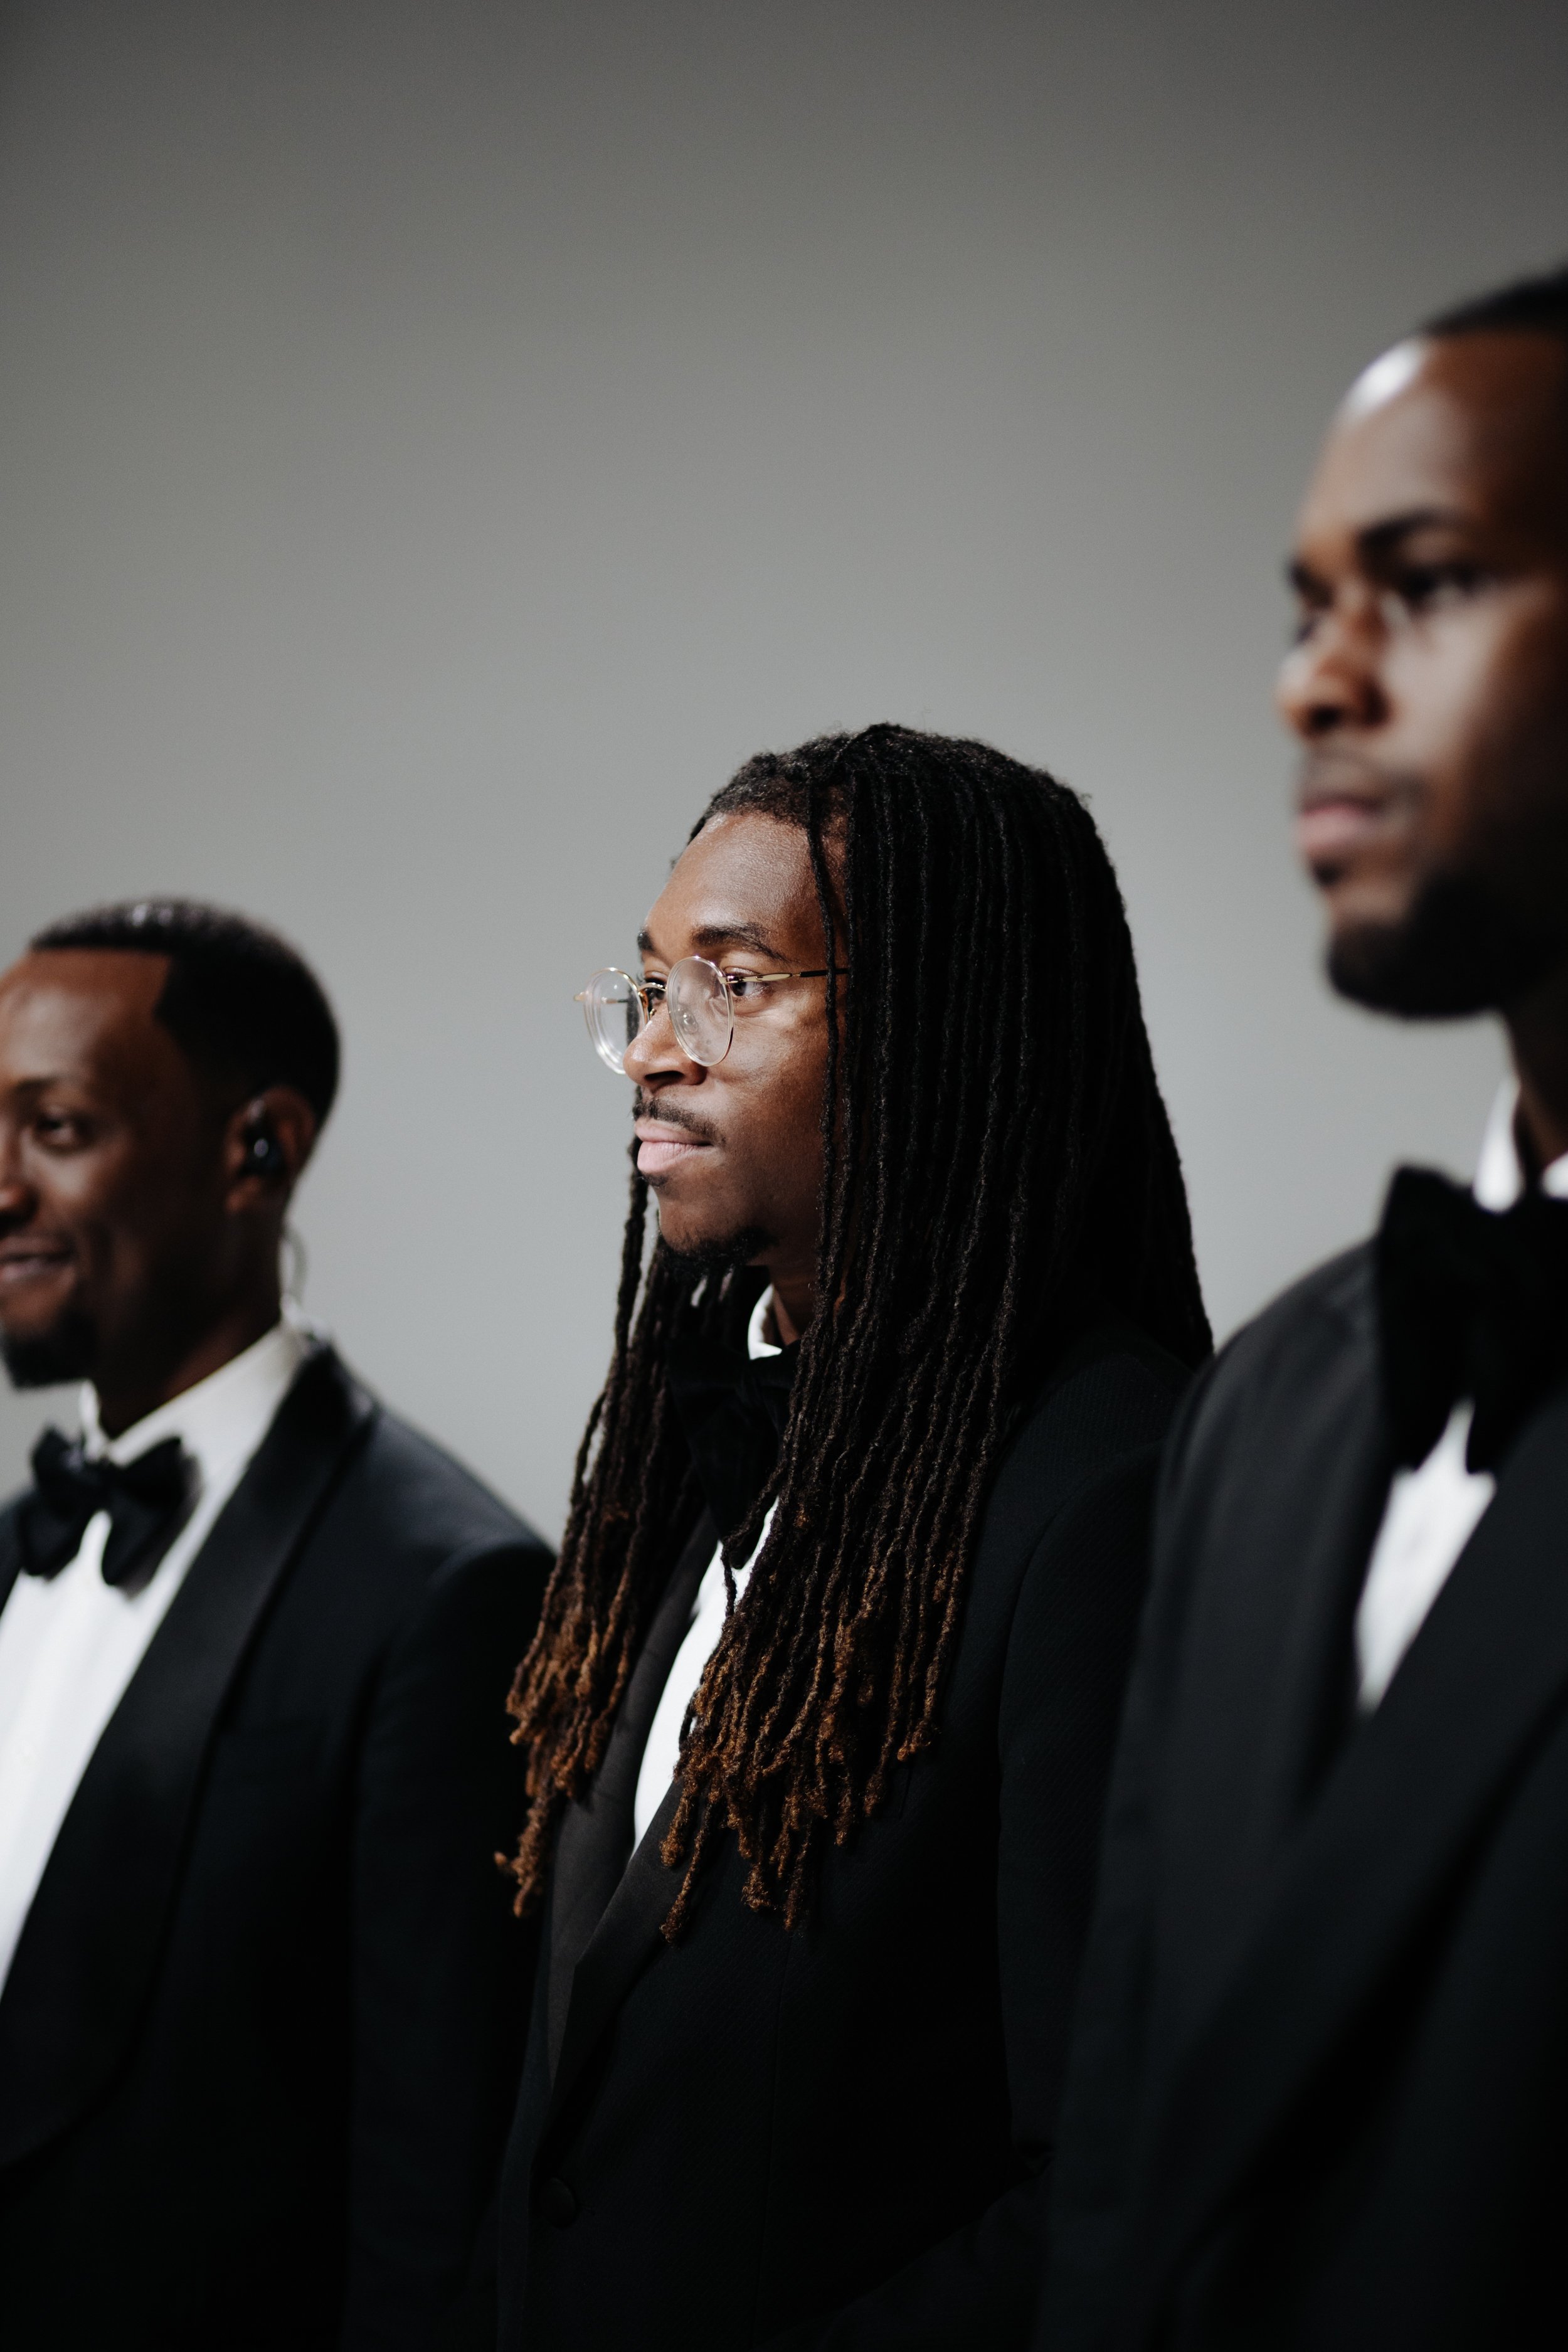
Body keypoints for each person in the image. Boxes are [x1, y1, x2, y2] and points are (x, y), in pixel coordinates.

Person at [494, 724, 1210, 2349]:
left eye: (729, 985)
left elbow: (1106, 2191)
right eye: (647, 985)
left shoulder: (1109, 1497)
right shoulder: (688, 1443)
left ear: (939, 1031)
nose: (652, 1050)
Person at [1040, 262, 1568, 2351]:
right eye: (1303, 606)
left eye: (1422, 585)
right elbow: (1120, 2162)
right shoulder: (1267, 1405)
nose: (1310, 685)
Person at [0, 900, 550, 2352]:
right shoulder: (17, 1545)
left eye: (53, 1127)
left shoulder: (450, 1593)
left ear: (262, 1149)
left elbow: (432, 2233)